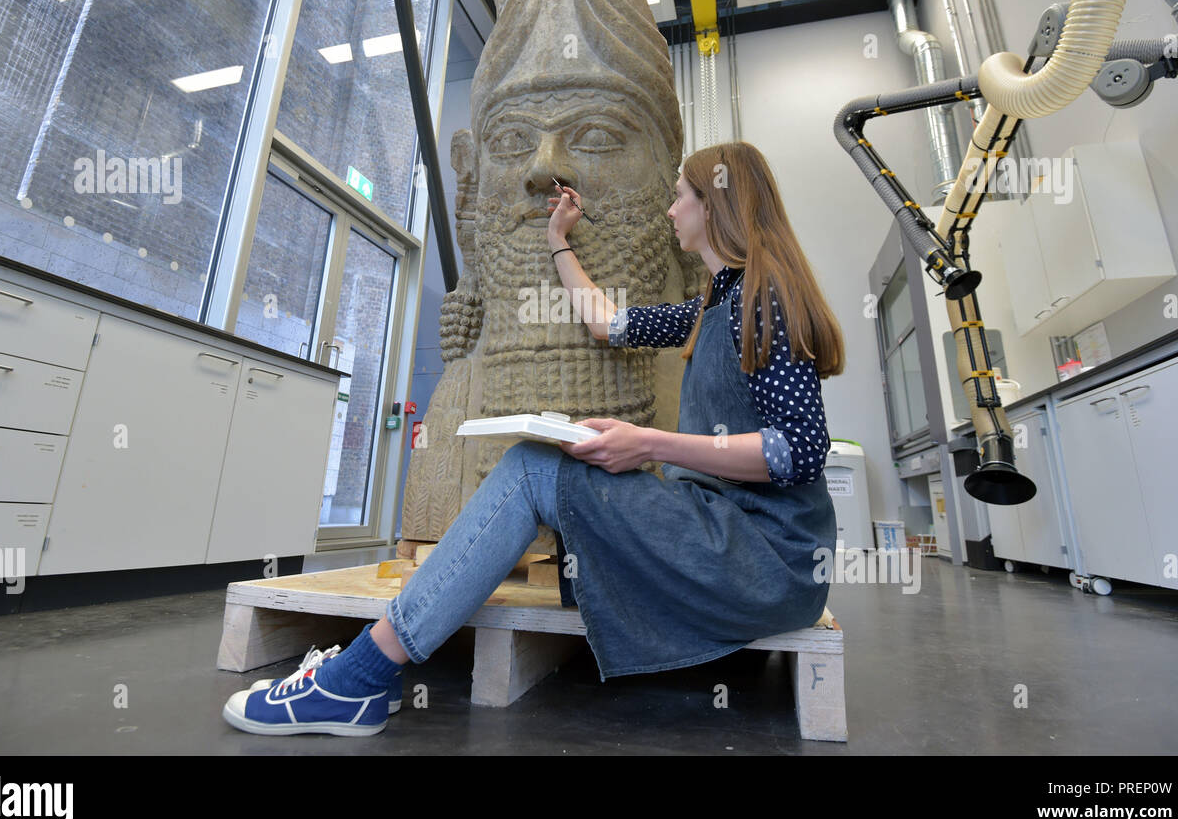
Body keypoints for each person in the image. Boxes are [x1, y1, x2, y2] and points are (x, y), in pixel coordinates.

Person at [222, 140, 845, 737]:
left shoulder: (765, 300)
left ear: (717, 207)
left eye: (681, 195)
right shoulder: (714, 307)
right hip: (724, 536)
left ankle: (356, 678)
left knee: (530, 469)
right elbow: (608, 322)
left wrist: (648, 443)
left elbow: (797, 451)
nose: (670, 208)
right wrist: (557, 241)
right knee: (547, 466)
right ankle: (367, 672)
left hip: (763, 560)